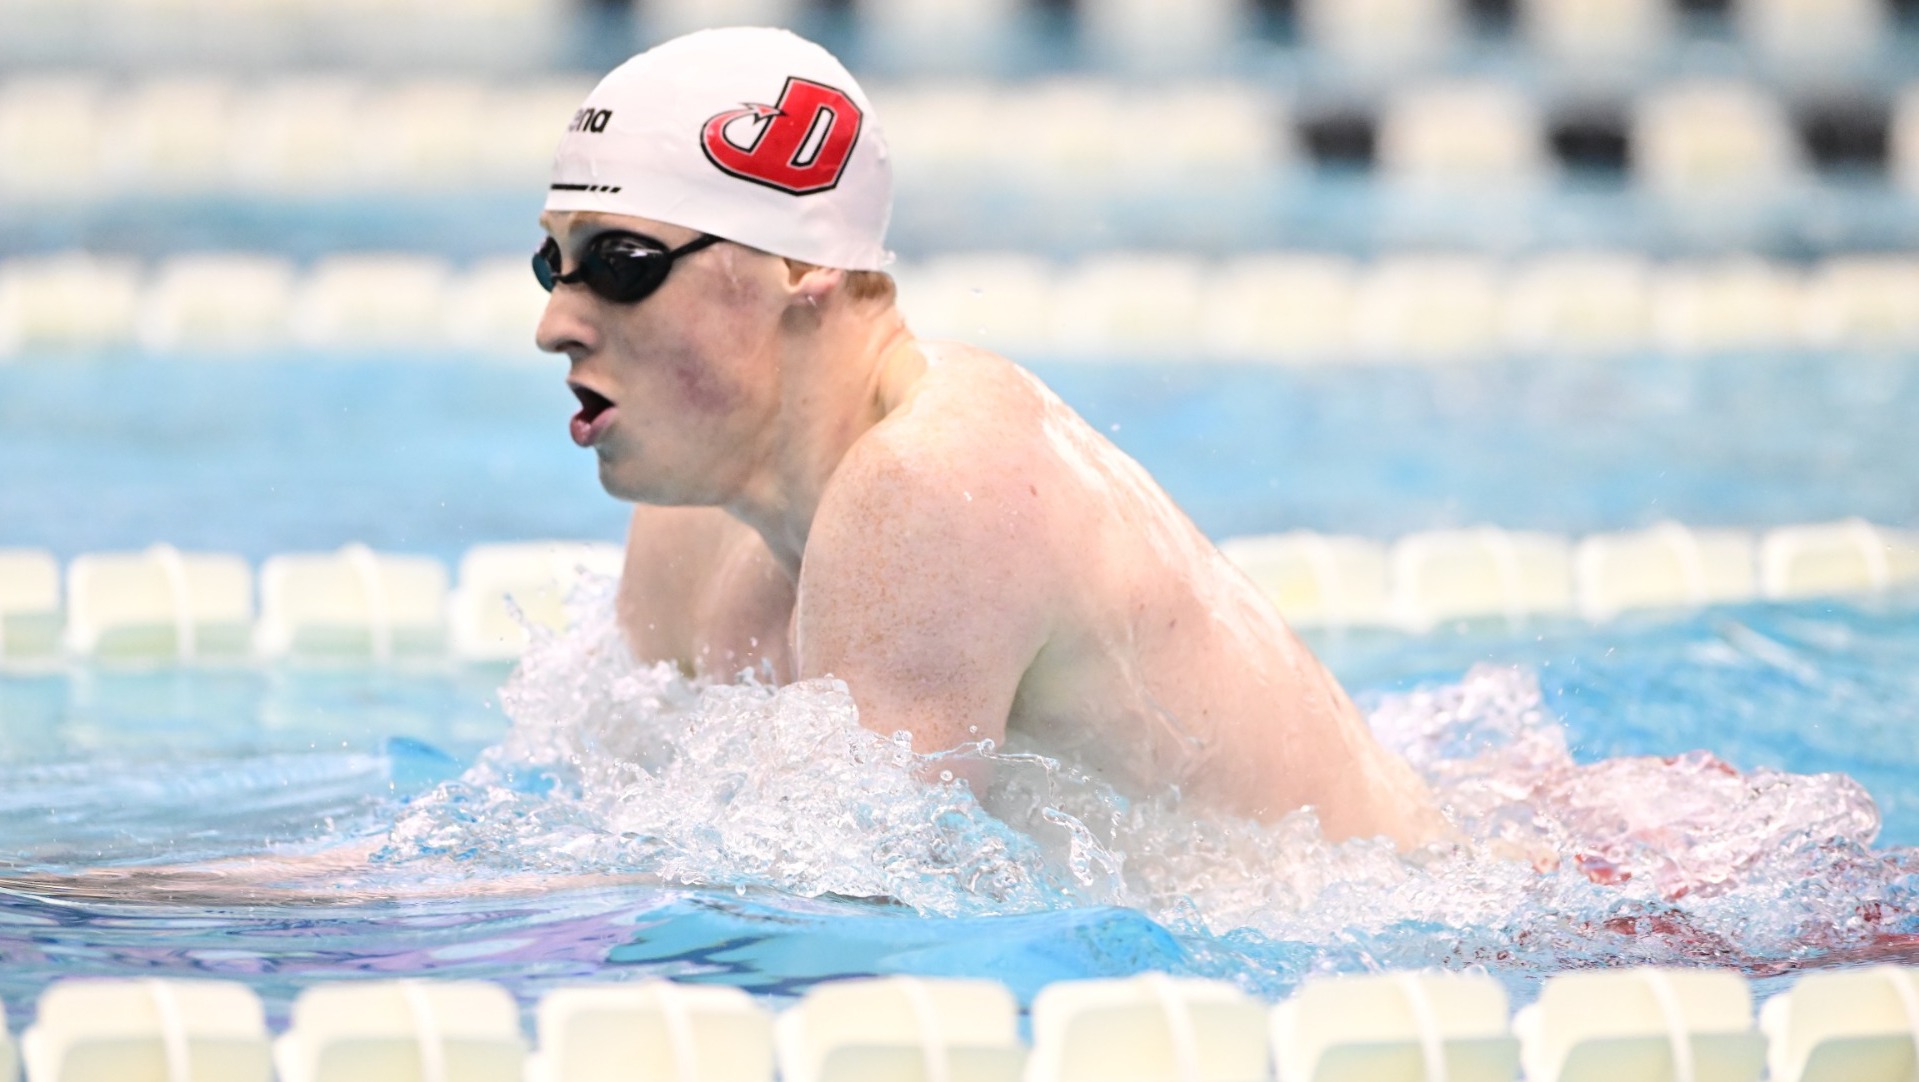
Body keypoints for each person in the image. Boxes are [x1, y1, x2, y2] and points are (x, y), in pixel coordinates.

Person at [535, 27, 1442, 849]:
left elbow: (840, 914)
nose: (555, 323)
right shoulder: (691, 521)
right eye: (554, 263)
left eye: (620, 265)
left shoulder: (932, 481)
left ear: (802, 264)